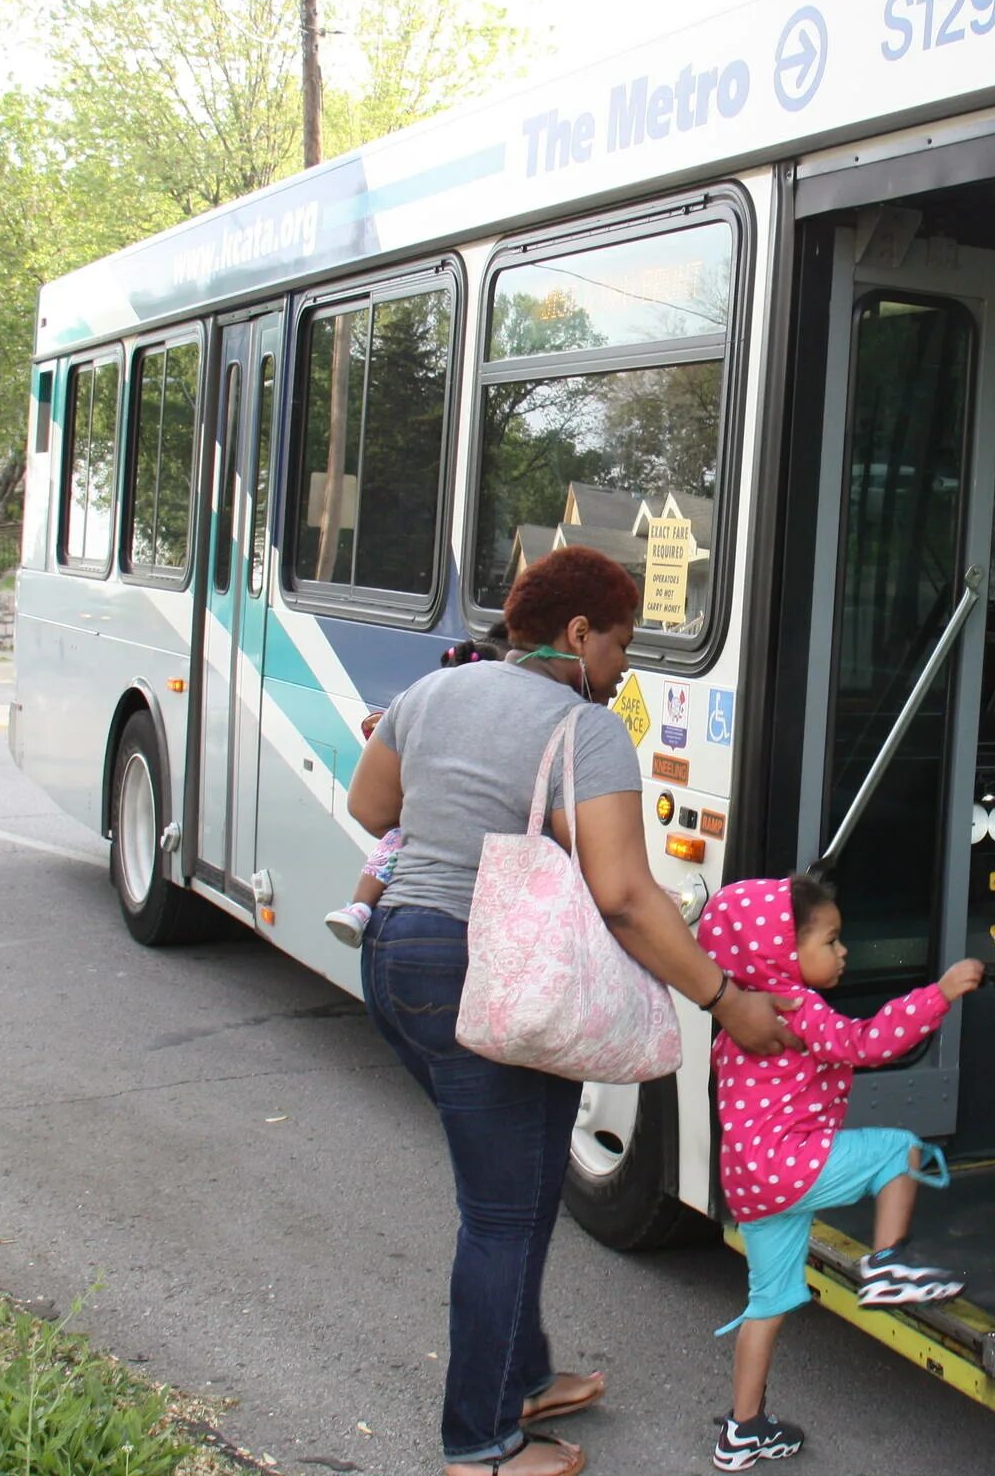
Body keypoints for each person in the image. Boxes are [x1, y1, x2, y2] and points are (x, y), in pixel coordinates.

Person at [346, 548, 804, 1476]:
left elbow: (371, 805)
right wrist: (725, 1001)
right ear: (579, 634)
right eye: (623, 644)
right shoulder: (584, 730)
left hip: (398, 953)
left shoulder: (435, 695)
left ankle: (525, 1375)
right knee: (500, 1215)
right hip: (490, 972)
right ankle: (480, 1444)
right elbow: (628, 895)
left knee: (514, 1190)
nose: (627, 666)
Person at [701, 872, 984, 1471]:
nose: (843, 951)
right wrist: (940, 993)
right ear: (783, 951)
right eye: (830, 940)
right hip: (786, 1164)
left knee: (768, 1300)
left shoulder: (740, 1015)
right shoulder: (797, 1008)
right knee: (899, 1149)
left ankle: (742, 1430)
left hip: (751, 1181)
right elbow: (869, 1043)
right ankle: (884, 1264)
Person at [326, 638, 506, 948]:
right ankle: (358, 907)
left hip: (422, 819)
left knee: (392, 844)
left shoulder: (423, 711)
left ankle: (358, 906)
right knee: (395, 842)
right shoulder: (491, 729)